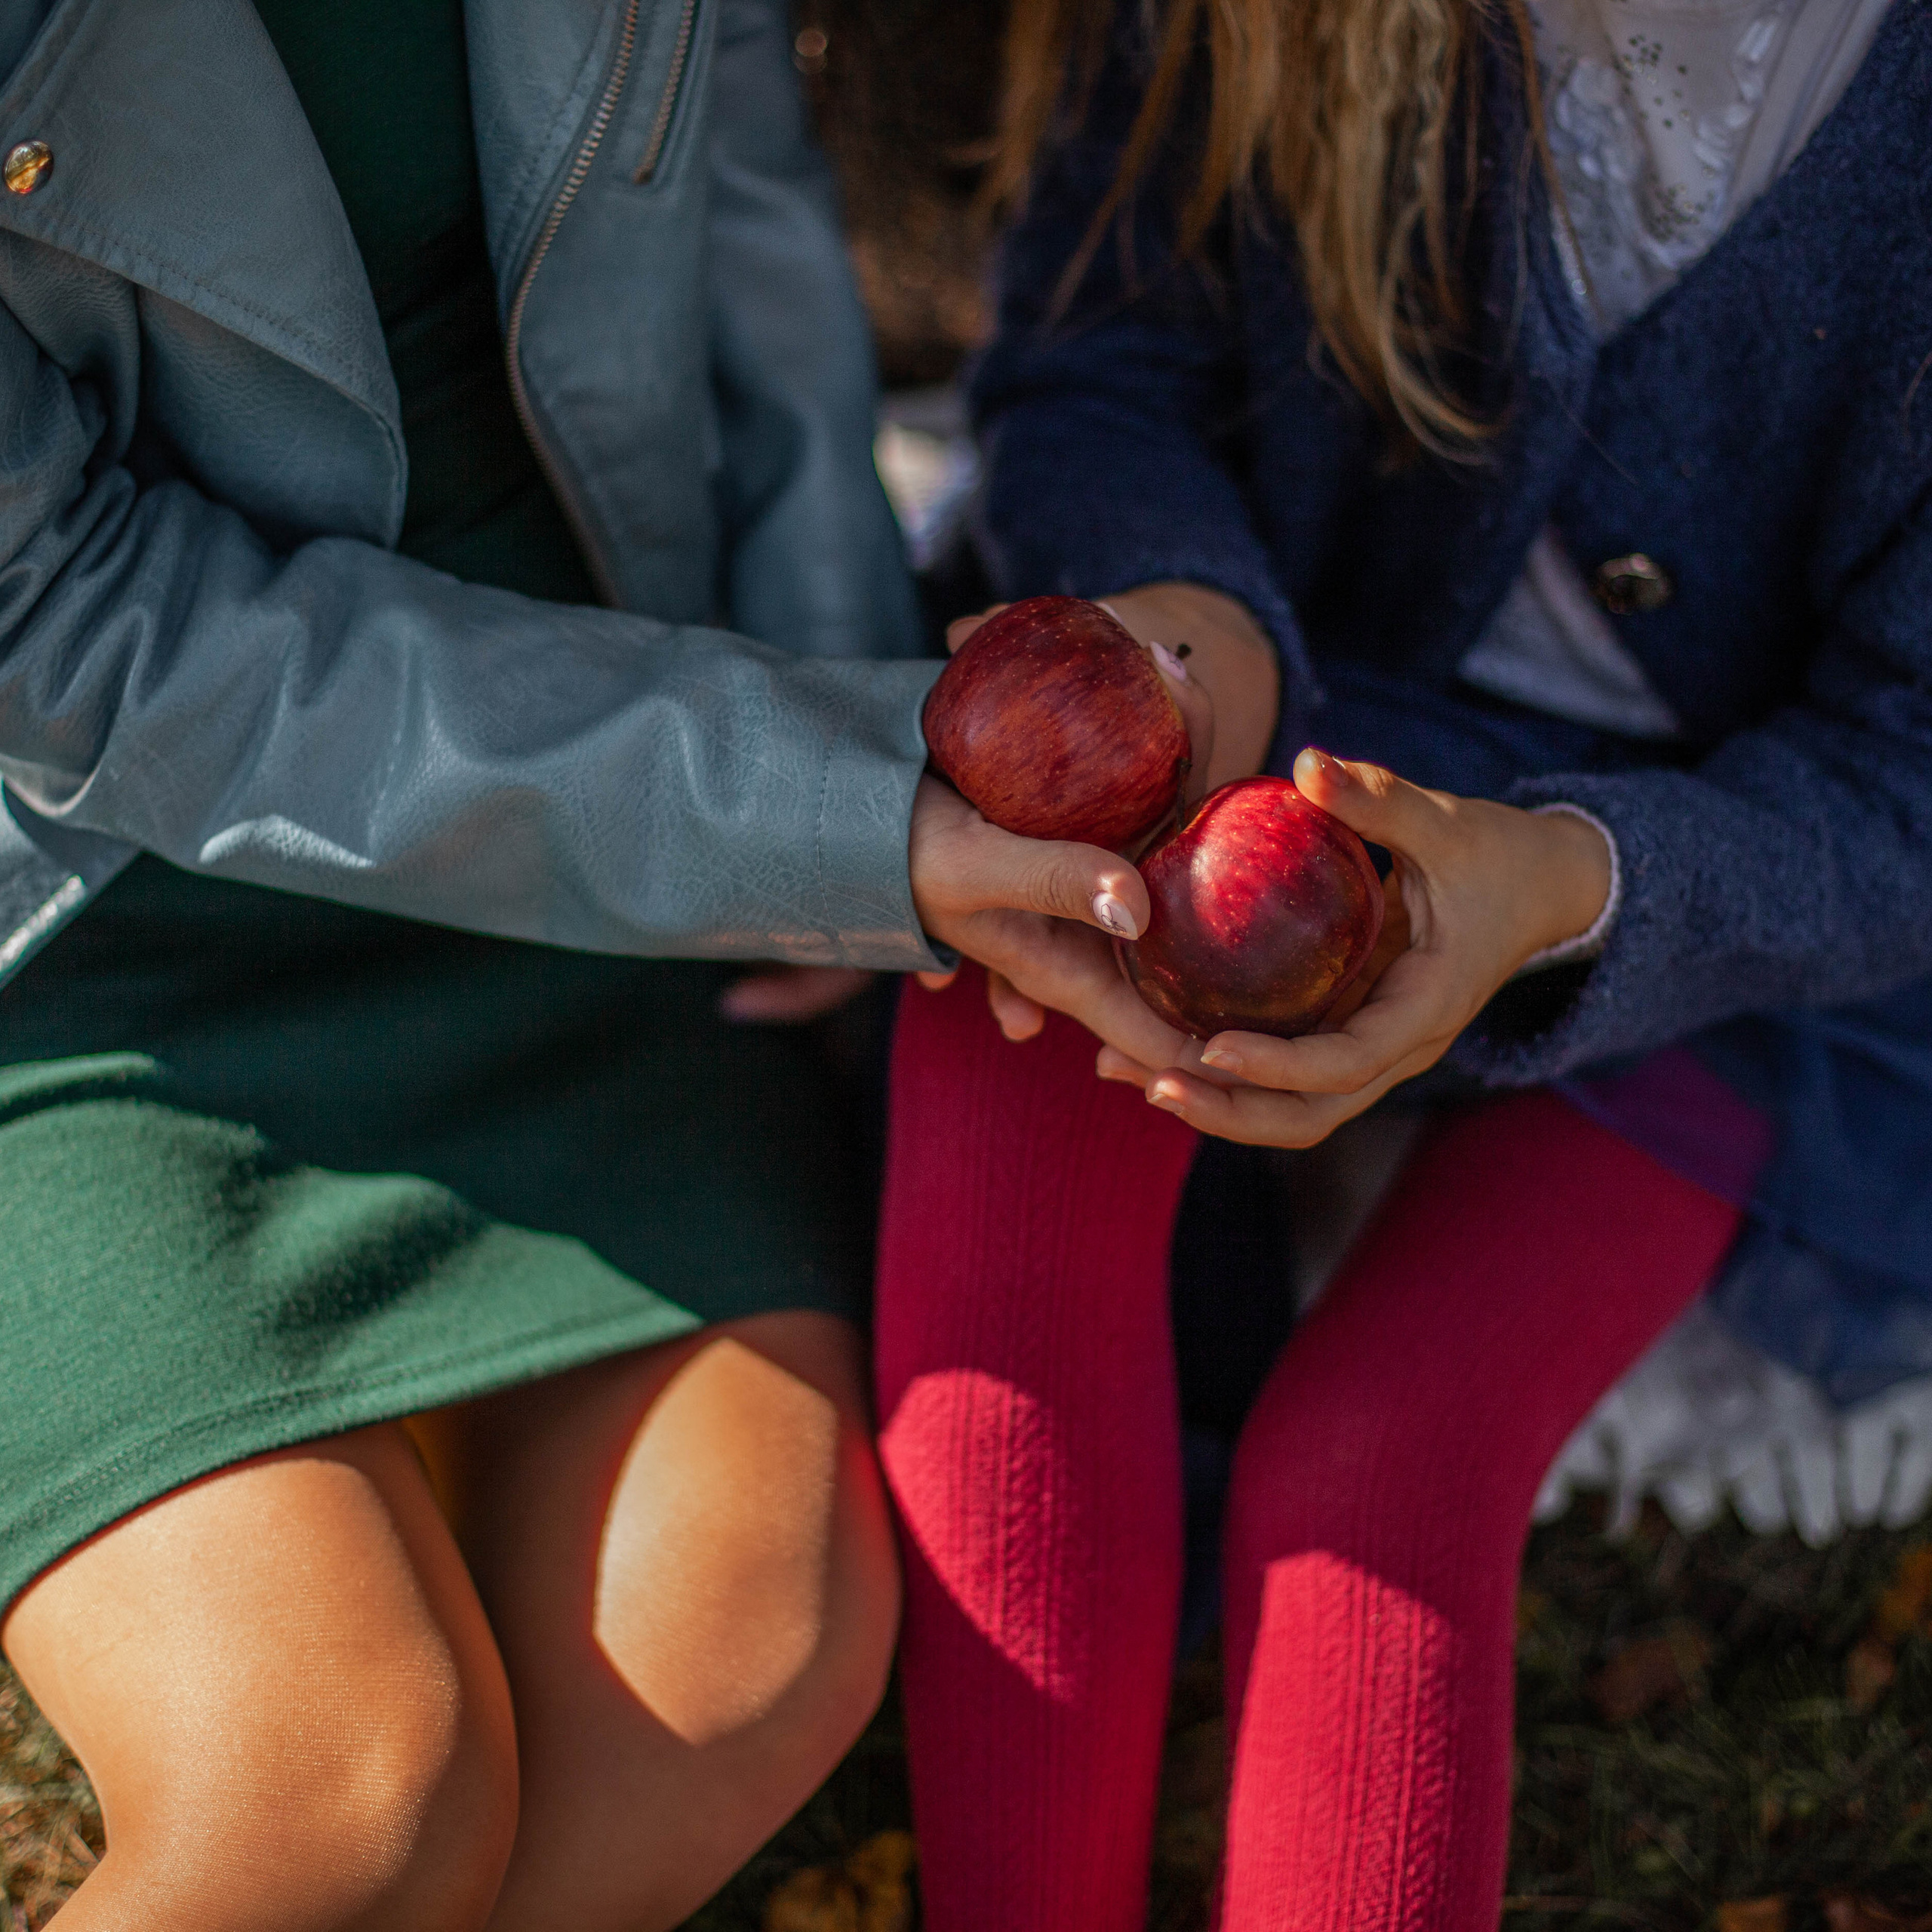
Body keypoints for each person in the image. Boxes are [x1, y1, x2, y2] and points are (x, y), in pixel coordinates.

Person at [0, 2, 1169, 1926]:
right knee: (347, 1803)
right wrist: (793, 808)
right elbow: (67, 628)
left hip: (599, 820)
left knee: (736, 1668)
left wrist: (858, 745)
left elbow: (739, 198)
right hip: (90, 921)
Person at [872, 0, 1932, 1925]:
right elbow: (1099, 369)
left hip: (1712, 897)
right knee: (1006, 1071)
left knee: (1379, 1464)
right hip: (1262, 725)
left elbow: (1904, 782)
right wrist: (1196, 652)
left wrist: (1563, 882)